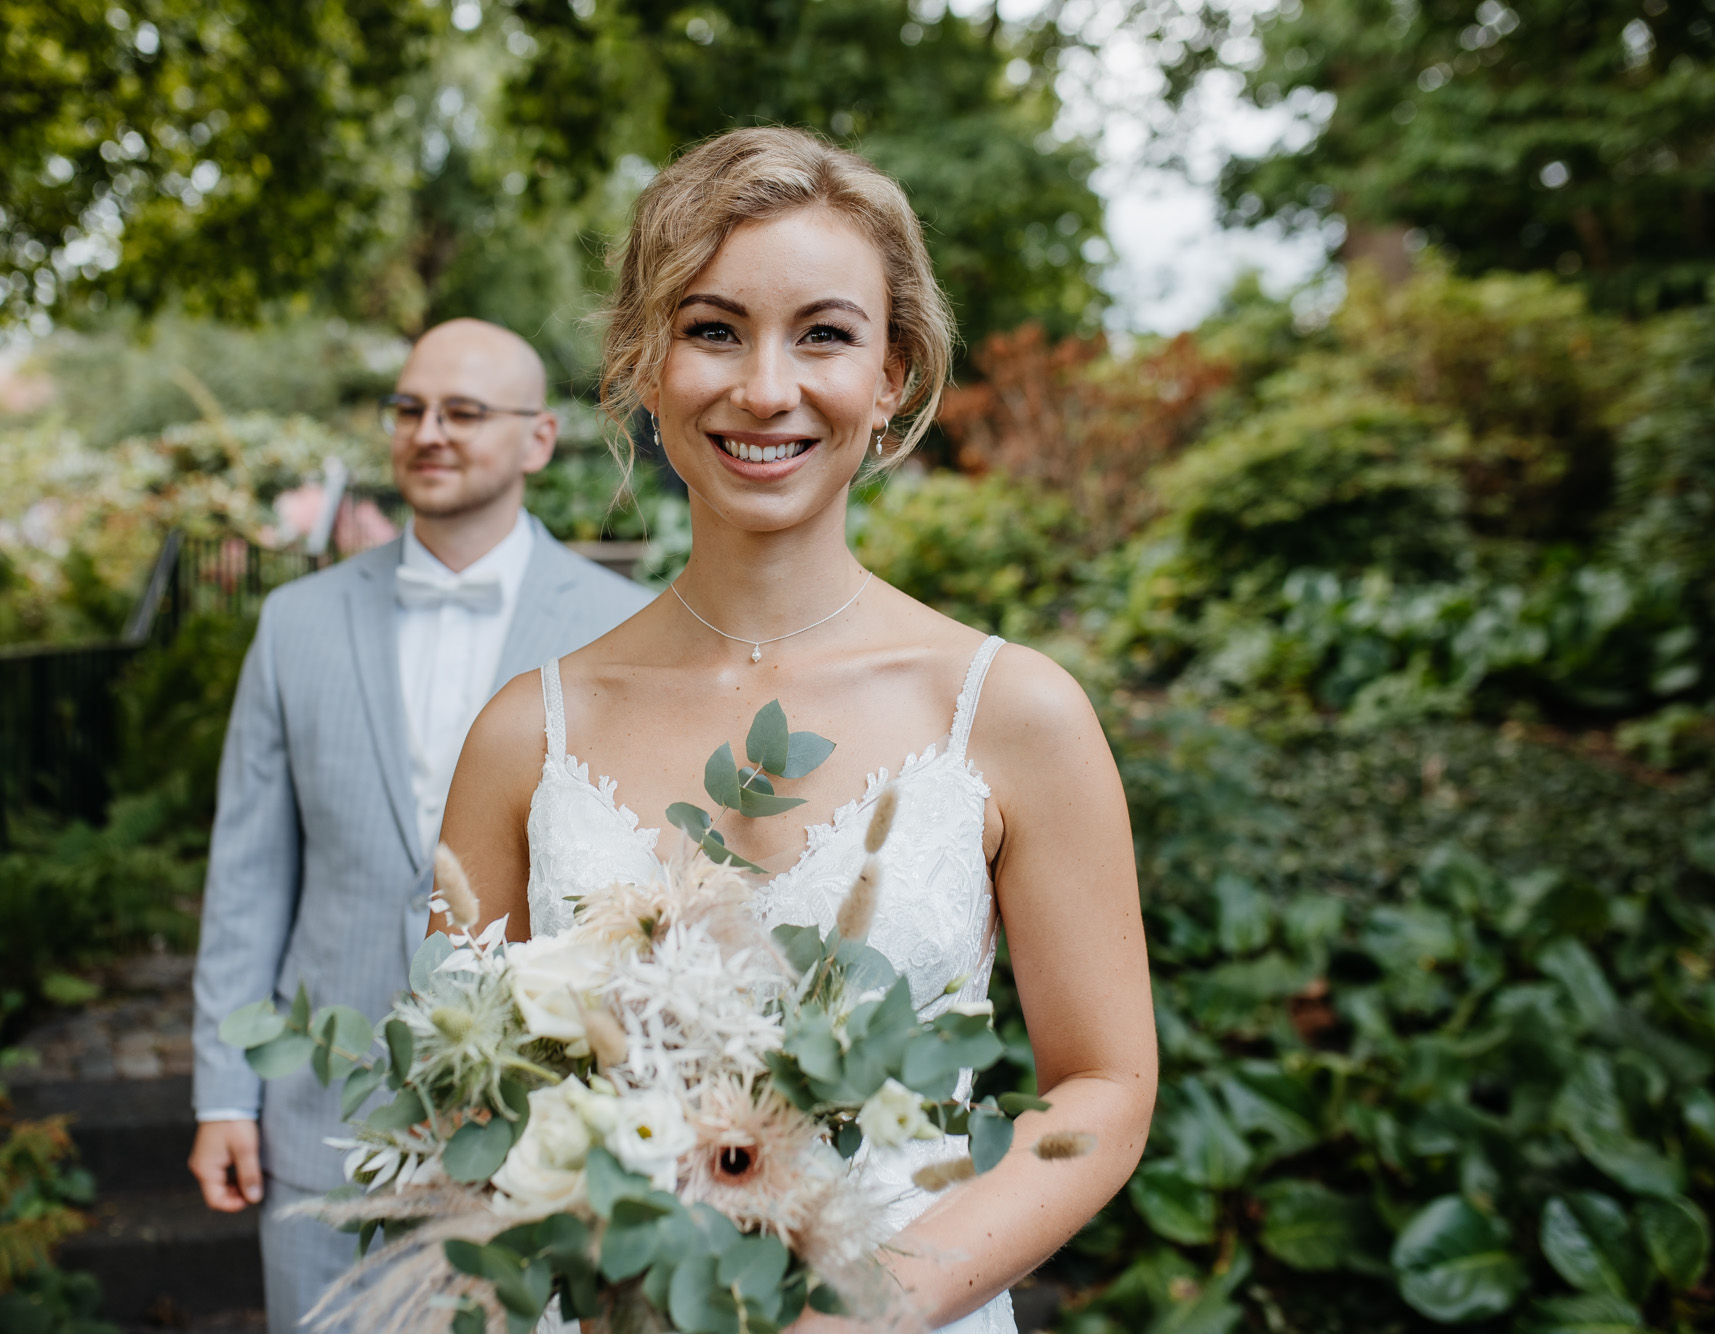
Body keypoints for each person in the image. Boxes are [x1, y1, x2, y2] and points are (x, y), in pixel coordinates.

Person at [442, 130, 1157, 1332]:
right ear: (642, 363)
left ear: (890, 374)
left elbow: (1104, 1087)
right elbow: (466, 1089)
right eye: (712, 329)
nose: (764, 388)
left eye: (822, 334)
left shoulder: (1011, 711)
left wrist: (864, 1305)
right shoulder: (527, 733)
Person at [188, 318, 654, 1334]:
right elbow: (247, 874)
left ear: (536, 439)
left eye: (462, 411)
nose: (427, 430)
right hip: (321, 1115)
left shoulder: (626, 625)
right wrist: (224, 1091)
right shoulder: (294, 623)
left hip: (542, 1122)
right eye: (408, 408)